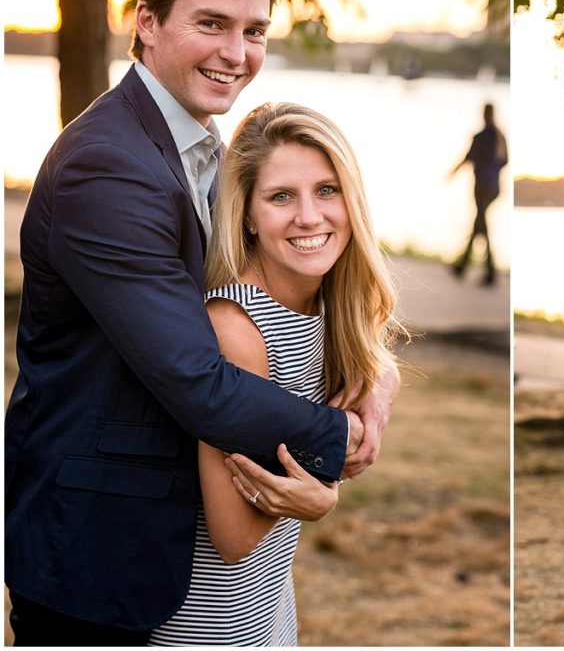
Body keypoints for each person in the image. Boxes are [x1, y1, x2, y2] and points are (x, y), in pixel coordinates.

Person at [5, 0, 396, 645]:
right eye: (211, 23)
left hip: (178, 543)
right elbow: (194, 377)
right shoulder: (109, 164)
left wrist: (372, 372)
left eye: (254, 30)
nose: (235, 53)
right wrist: (334, 434)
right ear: (145, 22)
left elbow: (288, 285)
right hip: (96, 548)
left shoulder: (200, 145)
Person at [149, 102, 401, 645]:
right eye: (281, 196)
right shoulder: (236, 329)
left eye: (326, 190)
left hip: (270, 610)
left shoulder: (325, 300)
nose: (309, 217)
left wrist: (381, 385)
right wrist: (321, 487)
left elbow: (376, 357)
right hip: (209, 626)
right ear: (247, 214)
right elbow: (233, 535)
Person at [451, 102, 507, 286]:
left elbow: (468, 157)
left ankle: (488, 271)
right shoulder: (500, 136)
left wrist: (452, 172)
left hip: (482, 187)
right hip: (494, 187)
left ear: (484, 114)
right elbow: (505, 161)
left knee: (482, 224)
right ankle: (464, 265)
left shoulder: (483, 136)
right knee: (480, 223)